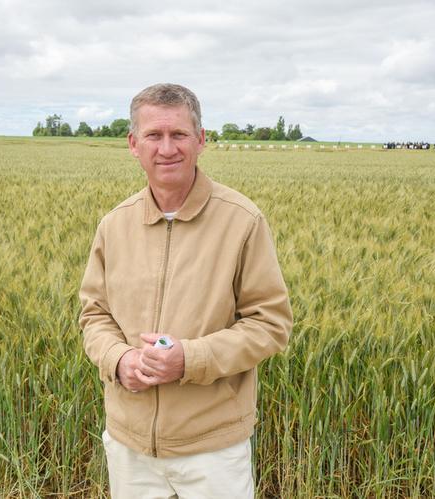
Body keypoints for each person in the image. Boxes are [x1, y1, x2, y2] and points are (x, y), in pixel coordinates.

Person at [79, 83, 292, 498]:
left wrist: (189, 360)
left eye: (178, 134)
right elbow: (94, 314)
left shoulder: (242, 221)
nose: (166, 148)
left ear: (200, 140)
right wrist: (118, 359)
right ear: (133, 144)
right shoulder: (114, 225)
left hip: (212, 449)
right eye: (153, 136)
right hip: (129, 445)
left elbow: (271, 325)